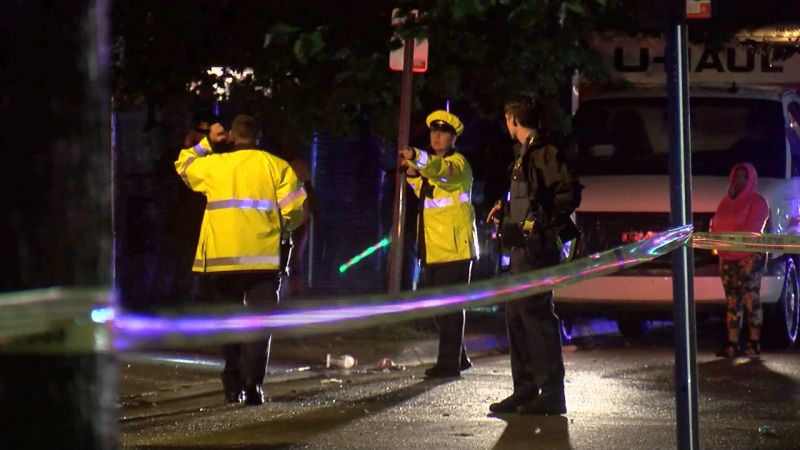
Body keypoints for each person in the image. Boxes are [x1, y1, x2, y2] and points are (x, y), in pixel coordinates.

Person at [174, 114, 306, 405]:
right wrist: (280, 229)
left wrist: (208, 142)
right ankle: (253, 387)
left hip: (223, 261)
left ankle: (232, 384)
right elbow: (296, 211)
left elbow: (182, 165)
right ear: (259, 136)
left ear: (232, 136)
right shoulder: (277, 167)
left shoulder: (216, 166)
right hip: (262, 260)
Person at [486, 95, 581, 415]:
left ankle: (552, 392)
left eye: (507, 119)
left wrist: (543, 226)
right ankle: (525, 389)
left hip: (537, 249)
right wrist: (505, 209)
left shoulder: (545, 152)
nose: (506, 125)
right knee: (516, 315)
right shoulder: (523, 153)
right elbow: (529, 196)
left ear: (513, 119)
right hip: (520, 248)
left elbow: (566, 194)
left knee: (536, 316)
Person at [400, 109, 479, 378]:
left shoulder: (457, 165)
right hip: (433, 248)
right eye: (433, 132)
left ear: (453, 138)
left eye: (442, 133)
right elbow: (425, 189)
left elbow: (440, 170)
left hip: (455, 249)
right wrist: (412, 173)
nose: (436, 136)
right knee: (438, 307)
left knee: (450, 309)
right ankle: (459, 356)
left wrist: (418, 157)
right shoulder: (433, 167)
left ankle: (448, 364)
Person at [710, 162, 769, 358]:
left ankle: (754, 343)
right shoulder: (725, 203)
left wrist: (732, 241)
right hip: (727, 257)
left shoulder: (757, 202)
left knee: (750, 297)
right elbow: (715, 225)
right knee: (732, 300)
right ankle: (732, 343)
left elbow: (752, 230)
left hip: (749, 257)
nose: (739, 180)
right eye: (736, 176)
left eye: (744, 176)